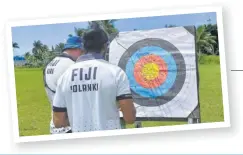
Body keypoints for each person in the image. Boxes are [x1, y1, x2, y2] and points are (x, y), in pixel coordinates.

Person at [52, 28, 136, 132]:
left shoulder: (65, 76)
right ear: (105, 46)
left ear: (83, 47)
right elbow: (130, 118)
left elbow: (58, 122)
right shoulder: (116, 73)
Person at [43, 36, 84, 134]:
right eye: (83, 52)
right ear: (78, 49)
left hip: (55, 124)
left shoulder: (49, 64)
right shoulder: (73, 66)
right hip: (70, 126)